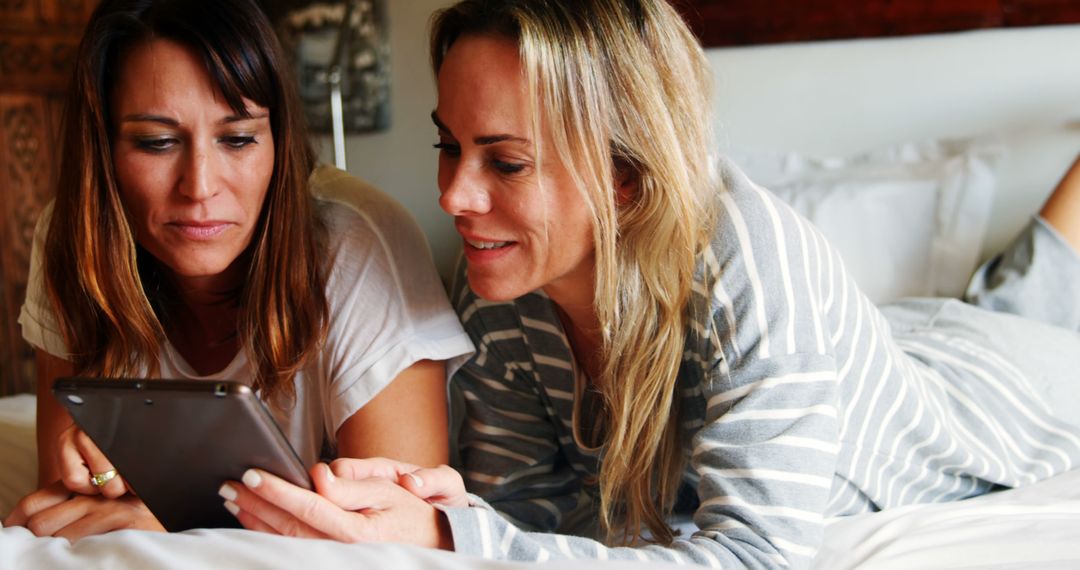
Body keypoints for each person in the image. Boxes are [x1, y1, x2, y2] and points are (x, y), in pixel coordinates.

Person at [220, 0, 1080, 566]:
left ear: (626, 175)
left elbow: (753, 558)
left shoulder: (752, 261)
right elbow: (539, 523)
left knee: (1024, 302)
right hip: (892, 337)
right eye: (449, 145)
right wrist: (457, 518)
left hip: (996, 384)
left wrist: (463, 534)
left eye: (506, 161)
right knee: (991, 296)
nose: (454, 197)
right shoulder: (498, 286)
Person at [2, 0, 472, 541]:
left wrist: (174, 520)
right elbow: (69, 507)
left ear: (279, 140)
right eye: (157, 143)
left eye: (239, 138)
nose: (200, 186)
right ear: (103, 150)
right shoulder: (71, 235)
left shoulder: (360, 246)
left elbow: (395, 539)